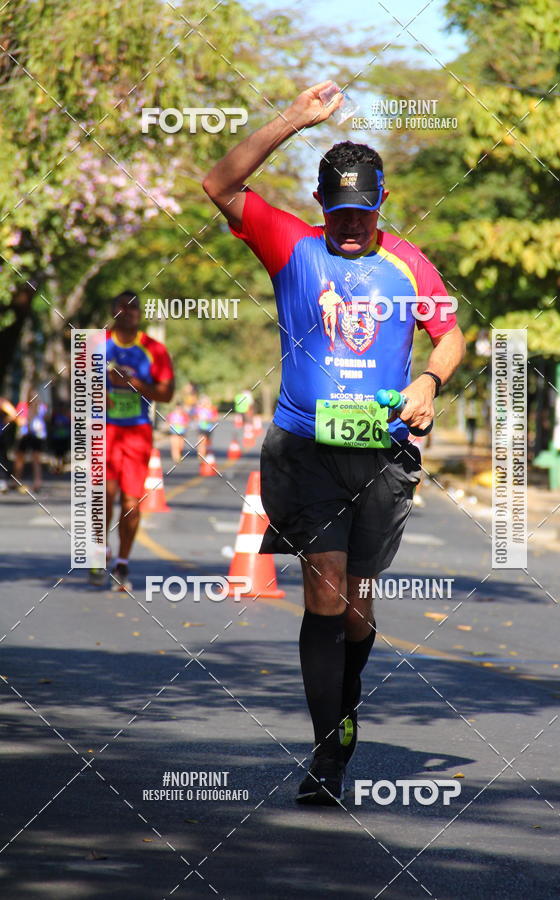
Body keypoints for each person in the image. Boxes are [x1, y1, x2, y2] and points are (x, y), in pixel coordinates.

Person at [203, 81, 465, 805]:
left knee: (357, 606)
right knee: (323, 589)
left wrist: (429, 385)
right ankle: (327, 758)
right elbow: (219, 182)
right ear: (322, 207)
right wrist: (292, 118)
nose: (350, 226)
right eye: (339, 213)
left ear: (381, 207)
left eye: (363, 213)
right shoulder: (291, 244)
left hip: (382, 455)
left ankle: (345, 702)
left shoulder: (409, 262)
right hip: (305, 450)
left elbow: (452, 335)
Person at [89, 291, 175, 590]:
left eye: (133, 308)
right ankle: (99, 551)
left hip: (137, 432)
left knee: (131, 503)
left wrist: (136, 384)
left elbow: (166, 393)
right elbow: (80, 387)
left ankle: (122, 562)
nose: (127, 313)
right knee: (104, 497)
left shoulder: (154, 350)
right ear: (112, 312)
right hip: (104, 432)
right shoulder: (97, 345)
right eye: (121, 308)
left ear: (140, 314)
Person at [12, 394, 48, 494]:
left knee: (36, 459)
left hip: (36, 435)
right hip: (25, 435)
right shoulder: (23, 406)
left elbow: (46, 416)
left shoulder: (41, 407)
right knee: (20, 458)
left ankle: (37, 483)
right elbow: (19, 420)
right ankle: (16, 481)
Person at [0, 396, 19, 492]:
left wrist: (6, 420)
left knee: (2, 459)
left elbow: (14, 414)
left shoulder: (2, 402)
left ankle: (2, 482)